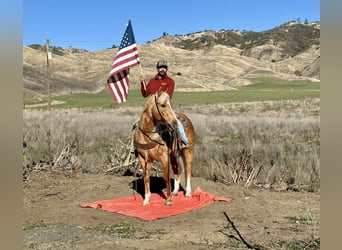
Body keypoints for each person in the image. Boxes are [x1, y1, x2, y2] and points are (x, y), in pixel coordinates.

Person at [140, 60, 189, 149]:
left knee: (177, 123)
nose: (162, 69)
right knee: (139, 124)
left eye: (164, 68)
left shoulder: (170, 81)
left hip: (165, 109)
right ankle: (138, 145)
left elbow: (168, 95)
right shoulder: (152, 81)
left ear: (166, 69)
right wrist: (142, 82)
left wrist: (158, 99)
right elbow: (145, 94)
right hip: (152, 111)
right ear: (157, 69)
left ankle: (183, 141)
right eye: (160, 67)